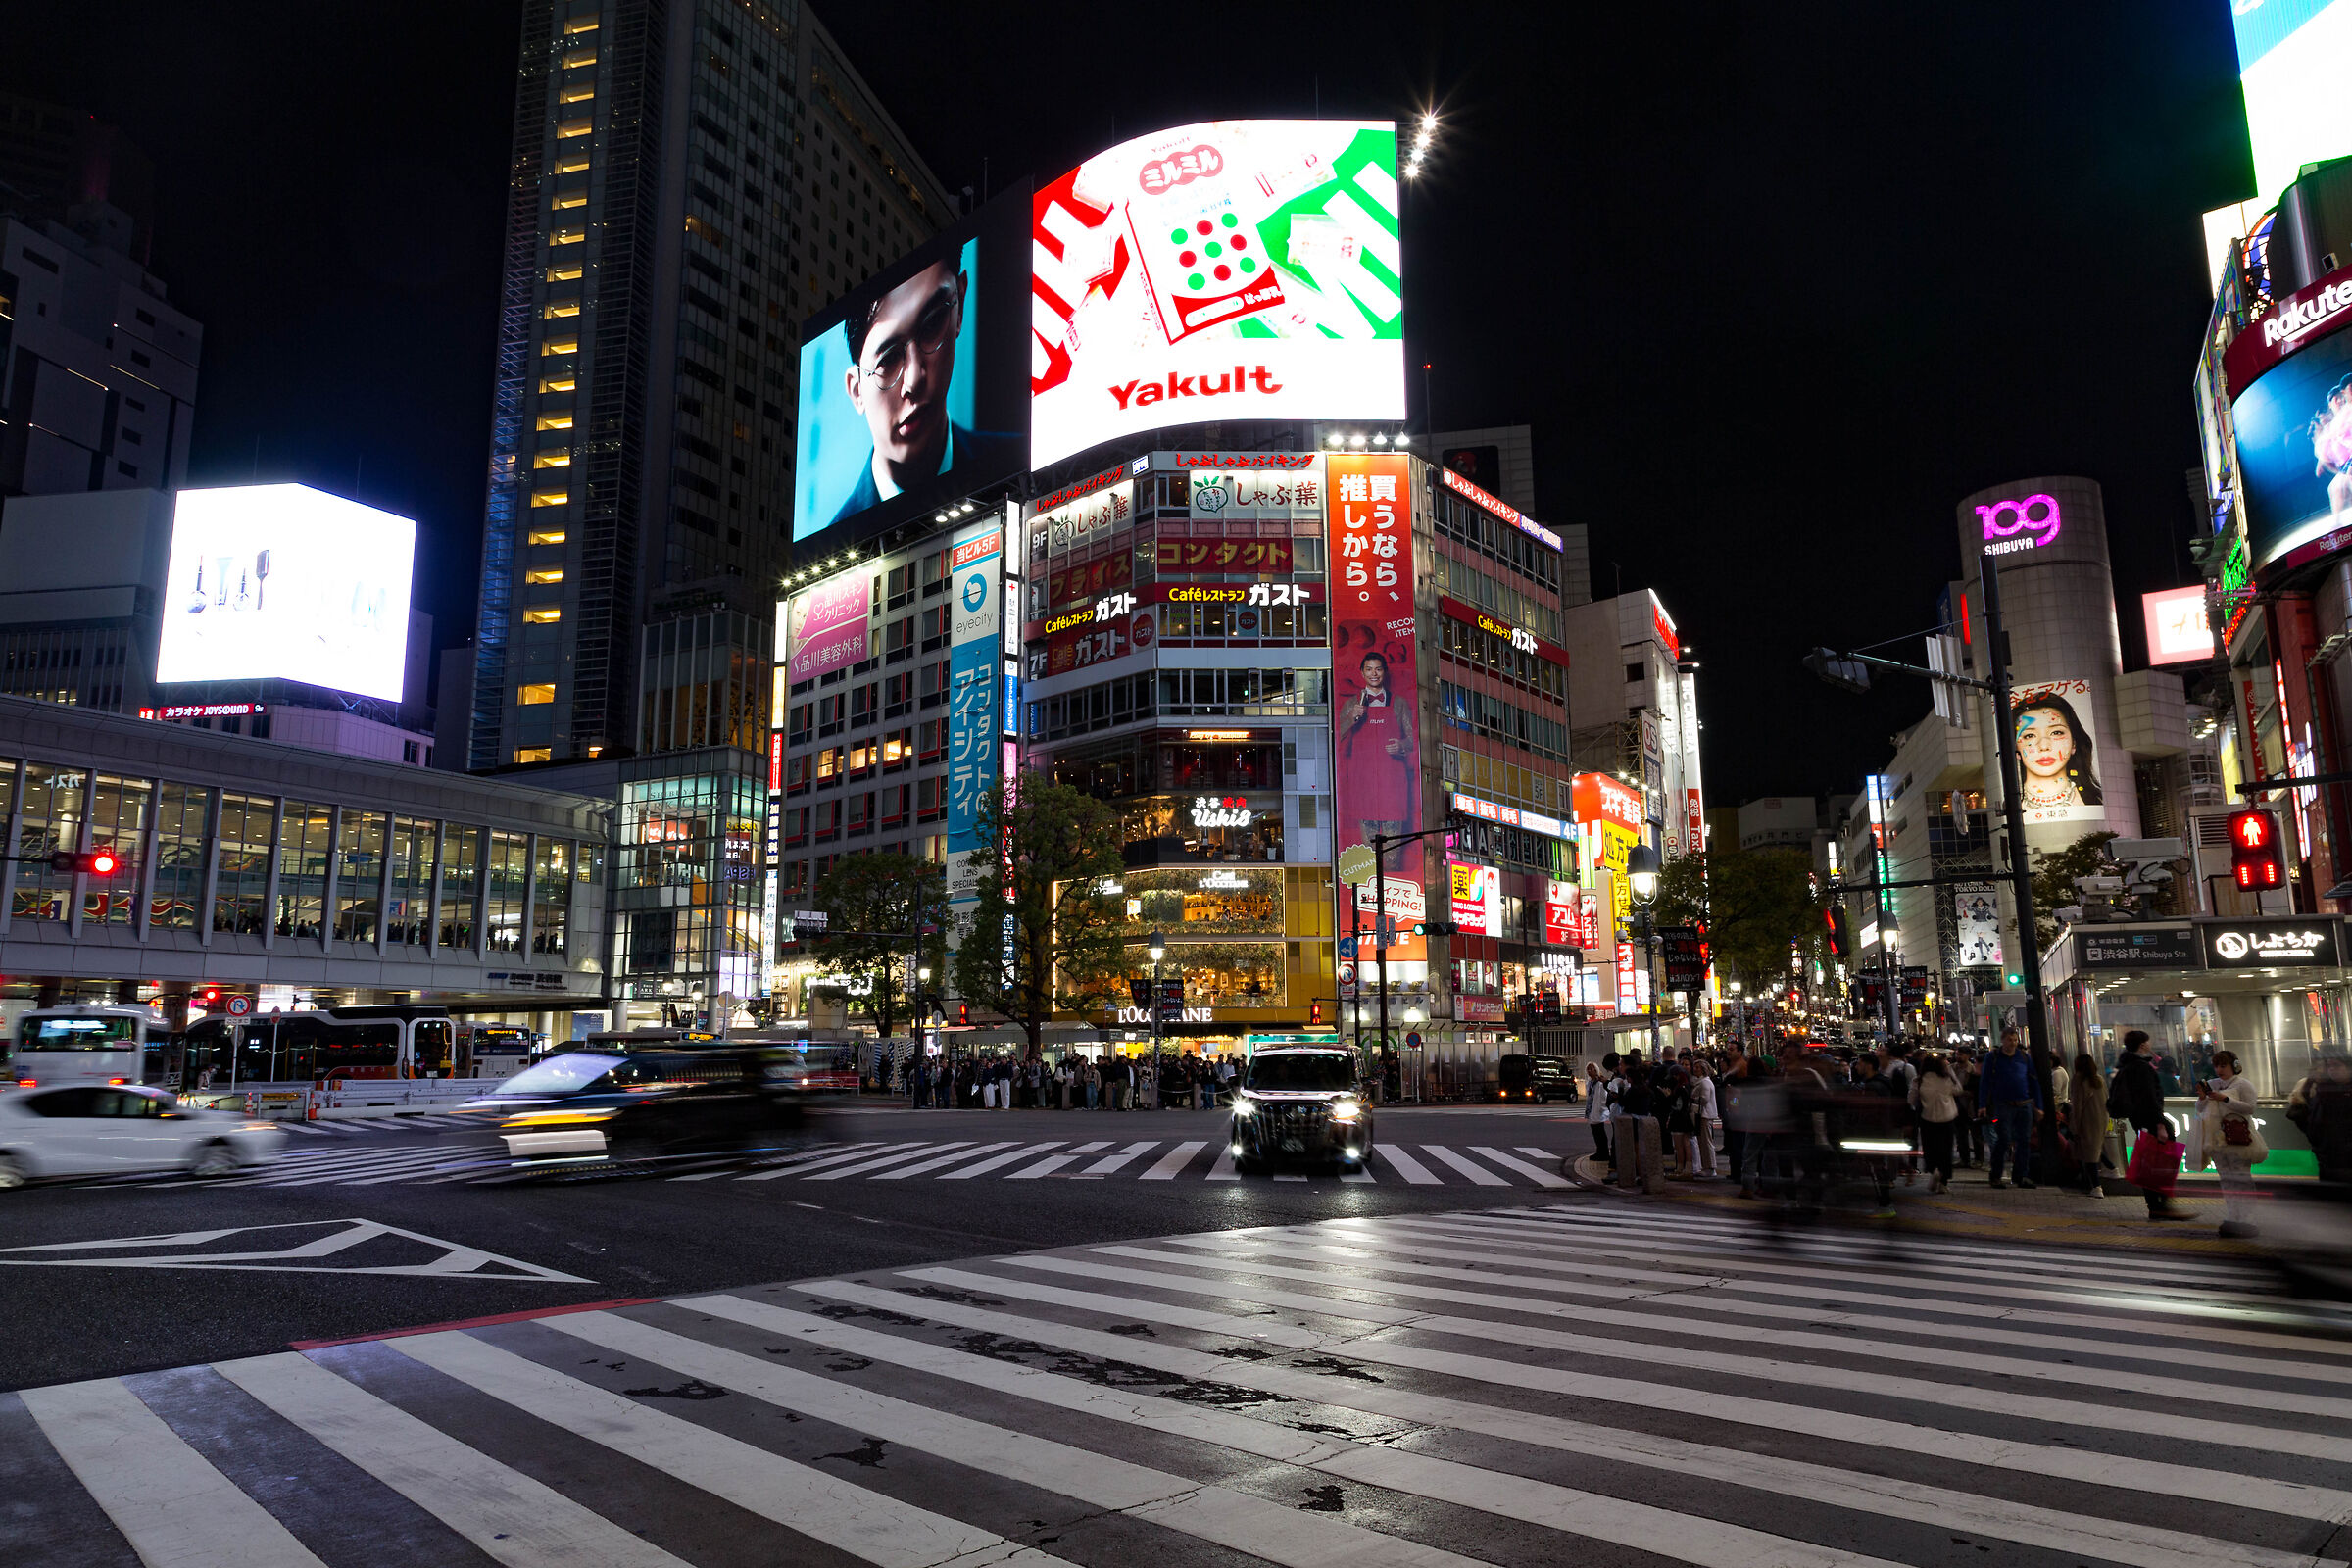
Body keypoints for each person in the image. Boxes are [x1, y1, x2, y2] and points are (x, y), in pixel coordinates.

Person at [825, 258, 1020, 527]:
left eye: (932, 324)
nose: (914, 379)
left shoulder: (1015, 459)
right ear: (857, 391)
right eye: (888, 360)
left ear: (960, 303)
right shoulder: (837, 535)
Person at [1336, 650, 1416, 869]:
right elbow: (1337, 738)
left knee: (1392, 853)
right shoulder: (1351, 704)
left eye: (1378, 669)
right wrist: (1351, 717)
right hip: (1364, 785)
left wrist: (1401, 745)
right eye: (1369, 669)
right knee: (1368, 854)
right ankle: (1371, 885)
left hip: (1393, 784)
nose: (1374, 674)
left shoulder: (1399, 703)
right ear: (1362, 673)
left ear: (1384, 672)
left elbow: (1413, 739)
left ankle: (1392, 881)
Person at [2110, 1029, 2186, 1220]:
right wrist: (2160, 1124)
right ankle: (2160, 1204)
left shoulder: (2126, 1066)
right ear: (2143, 1045)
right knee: (2161, 1162)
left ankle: (2155, 1205)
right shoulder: (2141, 1068)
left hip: (2139, 1120)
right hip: (2150, 1121)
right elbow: (2150, 1098)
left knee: (2150, 1162)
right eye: (2148, 1042)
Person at [2199, 1049, 2263, 1238]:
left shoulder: (2243, 1084)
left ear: (2234, 1066)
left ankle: (2248, 1218)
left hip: (2238, 1137)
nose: (2219, 1070)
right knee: (2226, 1179)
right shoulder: (2212, 1084)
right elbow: (2200, 1108)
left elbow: (2250, 1108)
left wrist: (2225, 1099)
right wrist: (2202, 1098)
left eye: (2223, 1066)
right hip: (2217, 1139)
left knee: (2241, 1177)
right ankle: (2233, 1215)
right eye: (2216, 1066)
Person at [2011, 691, 2104, 814]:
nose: (2044, 746)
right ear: (2016, 748)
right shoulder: (2009, 806)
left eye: (2056, 733)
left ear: (2074, 743)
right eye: (2029, 736)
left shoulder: (2095, 800)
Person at [1976, 1026, 2043, 1189]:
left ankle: (2021, 1175)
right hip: (2003, 1105)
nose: (2012, 1043)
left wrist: (2039, 1106)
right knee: (2004, 1139)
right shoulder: (1993, 1057)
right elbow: (1985, 1081)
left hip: (2024, 1104)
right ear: (2003, 1040)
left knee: (2024, 1140)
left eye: (2015, 1040)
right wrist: (1982, 1105)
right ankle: (1996, 1175)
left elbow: (2034, 1082)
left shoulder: (2024, 1057)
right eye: (2009, 1040)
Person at [1910, 1052, 1963, 1194]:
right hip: (1947, 1118)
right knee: (1946, 1149)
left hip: (1927, 1119)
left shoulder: (1919, 1080)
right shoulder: (1946, 1079)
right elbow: (1959, 1090)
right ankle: (1943, 1182)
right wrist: (1951, 1073)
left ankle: (1933, 1169)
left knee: (1930, 1148)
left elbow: (1911, 1099)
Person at [2066, 1052, 2109, 1198]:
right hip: (2101, 1119)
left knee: (2089, 1154)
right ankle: (2110, 1169)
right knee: (2094, 1150)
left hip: (2087, 1121)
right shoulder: (2099, 1080)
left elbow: (2077, 1105)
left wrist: (2074, 1126)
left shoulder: (2079, 1080)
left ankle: (2096, 1186)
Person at [1586, 1056, 1616, 1168]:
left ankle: (1603, 1153)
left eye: (1591, 1069)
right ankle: (1600, 1151)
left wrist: (1602, 1109)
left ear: (1596, 1070)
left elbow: (1603, 1097)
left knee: (1600, 1133)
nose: (1589, 1071)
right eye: (1588, 1069)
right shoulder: (1590, 1082)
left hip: (1598, 1111)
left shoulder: (1599, 1083)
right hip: (1593, 1110)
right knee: (1597, 1133)